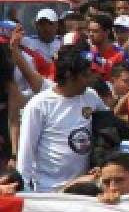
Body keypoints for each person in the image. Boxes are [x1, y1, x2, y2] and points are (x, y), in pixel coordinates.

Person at [16, 47, 107, 192]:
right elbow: (26, 149)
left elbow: (108, 125)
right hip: (48, 190)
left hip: (84, 187)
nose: (89, 80)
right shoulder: (39, 105)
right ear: (69, 74)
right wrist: (24, 187)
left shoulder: (91, 96)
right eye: (85, 75)